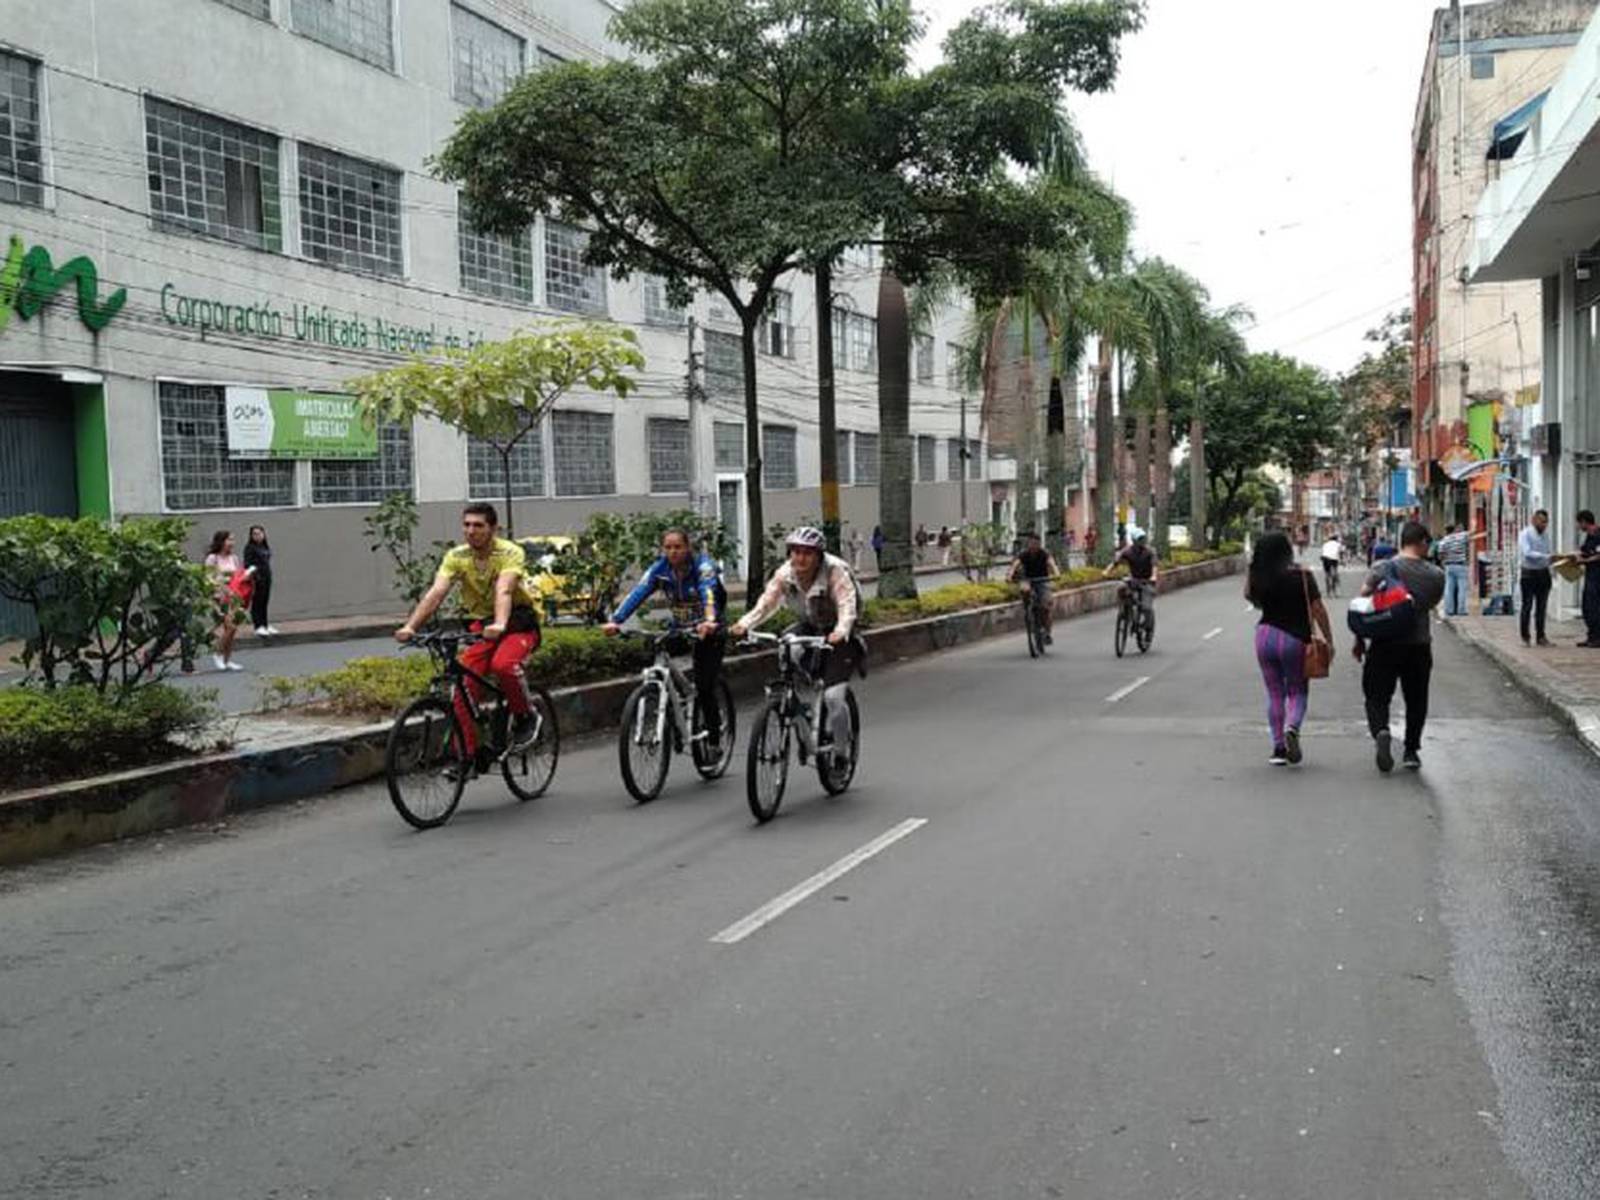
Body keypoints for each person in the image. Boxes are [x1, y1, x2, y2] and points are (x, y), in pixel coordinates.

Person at [395, 503, 543, 755]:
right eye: (466, 525)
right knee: (462, 689)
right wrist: (411, 626)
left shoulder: (509, 552)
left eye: (478, 525)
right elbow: (437, 592)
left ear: (493, 528)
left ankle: (525, 716)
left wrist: (499, 623)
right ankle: (467, 755)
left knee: (503, 665)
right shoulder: (456, 556)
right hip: (481, 626)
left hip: (516, 622)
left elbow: (504, 589)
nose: (470, 531)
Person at [731, 526, 862, 748]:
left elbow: (847, 605)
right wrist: (744, 624)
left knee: (833, 698)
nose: (800, 558)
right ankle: (798, 692)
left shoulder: (835, 571)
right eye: (796, 552)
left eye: (807, 553)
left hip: (839, 631)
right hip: (810, 624)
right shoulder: (785, 573)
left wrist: (840, 632)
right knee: (787, 645)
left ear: (818, 556)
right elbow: (767, 603)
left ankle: (841, 750)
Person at [602, 528, 729, 749]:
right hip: (679, 627)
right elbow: (638, 592)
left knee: (705, 685)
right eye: (668, 547)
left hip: (709, 629)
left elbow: (708, 593)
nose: (673, 552)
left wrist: (709, 620)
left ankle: (714, 739)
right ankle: (670, 704)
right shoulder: (660, 569)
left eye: (678, 547)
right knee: (657, 652)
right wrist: (616, 620)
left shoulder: (703, 567)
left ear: (688, 548)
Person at [1354, 521, 1445, 773]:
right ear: (1422, 542)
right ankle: (1411, 751)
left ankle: (1381, 730)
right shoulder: (1436, 575)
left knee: (1376, 695)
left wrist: (1360, 638)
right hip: (1418, 644)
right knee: (1416, 699)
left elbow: (1363, 598)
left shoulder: (1383, 567)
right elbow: (1431, 603)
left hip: (1384, 642)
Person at [1247, 530, 1334, 765]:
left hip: (1264, 637)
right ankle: (1292, 728)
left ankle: (1278, 749)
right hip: (1295, 640)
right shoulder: (1302, 575)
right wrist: (1329, 640)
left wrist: (1255, 573)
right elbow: (1318, 609)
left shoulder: (1259, 576)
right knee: (1297, 690)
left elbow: (1251, 599)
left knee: (1274, 692)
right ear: (1287, 551)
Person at [1102, 525, 1159, 637]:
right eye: (1139, 539)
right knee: (1121, 589)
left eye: (1143, 538)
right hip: (1134, 579)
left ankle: (1147, 629)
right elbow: (1115, 562)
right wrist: (1107, 571)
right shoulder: (1127, 551)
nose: (1142, 541)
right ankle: (1124, 610)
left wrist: (1153, 576)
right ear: (1133, 540)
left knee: (1147, 607)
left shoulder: (1150, 551)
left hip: (1147, 581)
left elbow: (1154, 566)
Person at [203, 530, 247, 672]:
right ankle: (217, 653)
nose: (232, 543)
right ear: (221, 541)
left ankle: (227, 660)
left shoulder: (234, 558)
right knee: (230, 626)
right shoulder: (212, 558)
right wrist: (221, 585)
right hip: (219, 597)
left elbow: (238, 575)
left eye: (233, 540)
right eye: (229, 540)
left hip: (233, 596)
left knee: (232, 629)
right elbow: (208, 578)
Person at [1007, 530, 1061, 643]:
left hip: (1042, 580)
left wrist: (1056, 573)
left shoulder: (1044, 553)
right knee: (1024, 589)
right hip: (1027, 580)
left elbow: (1052, 563)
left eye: (1036, 543)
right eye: (1031, 543)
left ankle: (1047, 632)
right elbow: (1015, 564)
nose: (1033, 546)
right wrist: (1010, 575)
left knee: (1046, 607)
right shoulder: (1024, 554)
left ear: (1039, 544)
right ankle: (1028, 610)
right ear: (1028, 544)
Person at [1519, 509, 1554, 646]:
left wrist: (1551, 559)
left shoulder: (1545, 535)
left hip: (1543, 573)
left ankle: (1541, 636)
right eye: (1541, 521)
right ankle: (1525, 636)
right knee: (1527, 605)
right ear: (1534, 520)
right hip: (1529, 573)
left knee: (1542, 606)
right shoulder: (1526, 534)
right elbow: (1527, 553)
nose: (1544, 525)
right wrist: (1546, 557)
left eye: (1546, 522)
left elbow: (1547, 551)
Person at [1434, 523, 1483, 618]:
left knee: (1449, 589)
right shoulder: (1460, 536)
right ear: (1455, 529)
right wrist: (1474, 523)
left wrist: (1445, 560)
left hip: (1449, 566)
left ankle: (1449, 609)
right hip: (1461, 566)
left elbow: (1440, 555)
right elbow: (1473, 532)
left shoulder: (1443, 541)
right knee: (1462, 589)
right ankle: (1461, 610)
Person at [243, 525, 277, 637]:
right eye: (254, 534)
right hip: (257, 578)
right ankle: (258, 626)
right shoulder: (250, 548)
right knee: (257, 602)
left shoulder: (264, 546)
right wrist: (255, 576)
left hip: (266, 576)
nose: (257, 536)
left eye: (259, 533)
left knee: (264, 601)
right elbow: (247, 564)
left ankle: (265, 624)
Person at [1572, 510, 1600, 648]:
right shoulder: (1589, 536)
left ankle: (1597, 638)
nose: (1578, 526)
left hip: (1597, 576)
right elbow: (1584, 551)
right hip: (1590, 576)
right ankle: (1591, 636)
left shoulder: (1598, 534)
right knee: (1587, 607)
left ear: (1584, 521)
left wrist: (1585, 561)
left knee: (1594, 607)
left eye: (1578, 523)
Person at [1319, 531, 1343, 596]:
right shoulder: (1338, 544)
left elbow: (1323, 552)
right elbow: (1341, 553)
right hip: (1334, 559)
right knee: (1335, 571)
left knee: (1327, 573)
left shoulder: (1325, 544)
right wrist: (1342, 561)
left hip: (1325, 558)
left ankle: (1328, 587)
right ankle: (1334, 589)